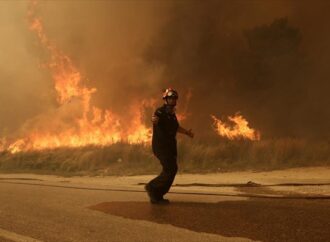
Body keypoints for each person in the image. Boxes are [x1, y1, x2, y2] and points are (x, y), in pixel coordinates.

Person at [145, 88, 194, 204]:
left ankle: (158, 194)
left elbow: (176, 127)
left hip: (170, 146)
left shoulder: (172, 115)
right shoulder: (160, 112)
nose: (172, 100)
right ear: (165, 99)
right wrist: (154, 120)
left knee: (173, 169)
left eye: (174, 99)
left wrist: (187, 132)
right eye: (170, 98)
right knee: (170, 169)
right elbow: (155, 119)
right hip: (161, 146)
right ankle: (152, 187)